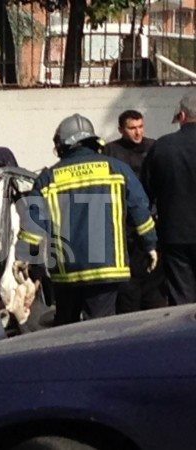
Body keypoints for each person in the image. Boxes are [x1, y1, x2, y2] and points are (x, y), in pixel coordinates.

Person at [14, 114, 158, 325]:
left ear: (62, 145)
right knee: (100, 328)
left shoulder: (48, 178)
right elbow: (140, 211)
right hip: (107, 268)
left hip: (67, 271)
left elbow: (33, 225)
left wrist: (24, 256)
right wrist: (150, 245)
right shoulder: (117, 170)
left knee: (66, 329)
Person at [103, 110, 166, 313]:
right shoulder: (110, 152)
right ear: (121, 130)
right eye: (132, 128)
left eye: (140, 127)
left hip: (150, 220)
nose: (138, 132)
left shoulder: (153, 147)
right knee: (128, 288)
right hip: (123, 226)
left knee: (153, 280)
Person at [142, 91, 196, 306]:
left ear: (181, 116)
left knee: (181, 299)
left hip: (175, 236)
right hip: (176, 234)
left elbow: (145, 193)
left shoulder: (162, 147)